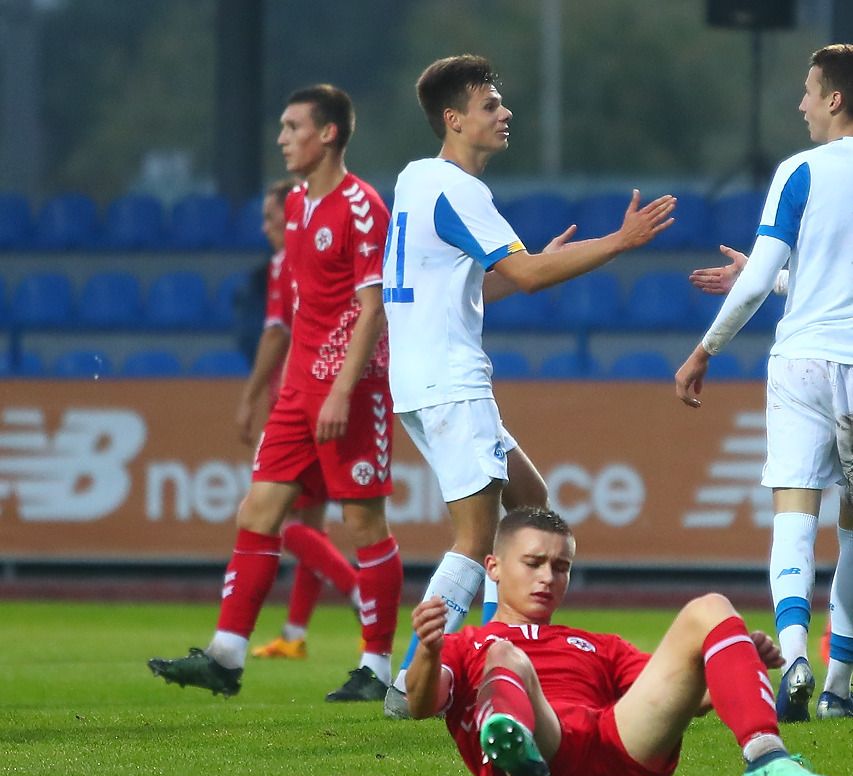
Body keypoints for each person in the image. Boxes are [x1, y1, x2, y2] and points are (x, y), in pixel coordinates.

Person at [381, 54, 676, 714]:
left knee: (529, 499)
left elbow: (473, 281)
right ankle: (417, 679)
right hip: (450, 382)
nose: (503, 111)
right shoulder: (460, 191)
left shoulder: (415, 180)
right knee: (478, 537)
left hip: (421, 380)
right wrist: (618, 241)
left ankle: (491, 652)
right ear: (453, 119)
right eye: (489, 104)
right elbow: (530, 277)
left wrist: (535, 260)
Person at [149, 84, 402, 701]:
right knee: (257, 513)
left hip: (353, 383)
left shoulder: (363, 206)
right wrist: (275, 387)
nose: (283, 138)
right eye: (283, 127)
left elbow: (375, 308)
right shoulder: (294, 205)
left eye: (293, 127)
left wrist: (342, 390)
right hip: (298, 387)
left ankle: (376, 667)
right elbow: (290, 308)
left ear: (330, 134)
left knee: (363, 520)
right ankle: (226, 657)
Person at [406, 507, 837, 776]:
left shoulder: (600, 644)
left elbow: (685, 702)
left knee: (711, 607)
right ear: (494, 568)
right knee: (505, 655)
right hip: (545, 757)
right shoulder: (466, 645)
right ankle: (517, 747)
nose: (547, 577)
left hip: (619, 755)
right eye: (534, 563)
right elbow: (422, 703)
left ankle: (768, 760)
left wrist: (736, 662)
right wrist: (428, 648)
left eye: (561, 566)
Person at [676, 44, 853, 722]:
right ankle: (839, 677)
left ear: (834, 98)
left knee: (794, 514)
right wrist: (781, 278)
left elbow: (755, 283)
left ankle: (793, 651)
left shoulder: (800, 171)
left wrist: (703, 349)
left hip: (803, 362)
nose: (801, 104)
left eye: (809, 91)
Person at [233, 179, 360, 660]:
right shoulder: (325, 263)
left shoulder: (288, 264)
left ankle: (357, 590)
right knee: (311, 521)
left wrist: (248, 398)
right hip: (328, 400)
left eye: (272, 217)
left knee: (272, 516)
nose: (267, 228)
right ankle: (294, 635)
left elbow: (274, 335)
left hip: (302, 403)